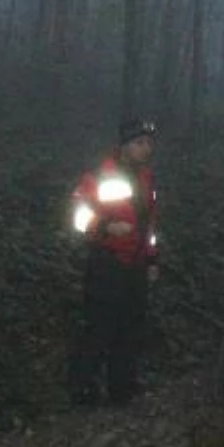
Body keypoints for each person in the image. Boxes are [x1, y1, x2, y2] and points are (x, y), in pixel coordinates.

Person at [67, 118, 160, 407]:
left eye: (148, 143)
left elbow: (151, 227)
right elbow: (77, 216)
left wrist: (152, 260)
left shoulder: (147, 180)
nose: (146, 149)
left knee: (130, 330)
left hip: (135, 266)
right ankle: (83, 391)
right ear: (125, 146)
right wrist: (105, 227)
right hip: (107, 263)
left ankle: (123, 389)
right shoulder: (100, 176)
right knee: (98, 329)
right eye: (140, 143)